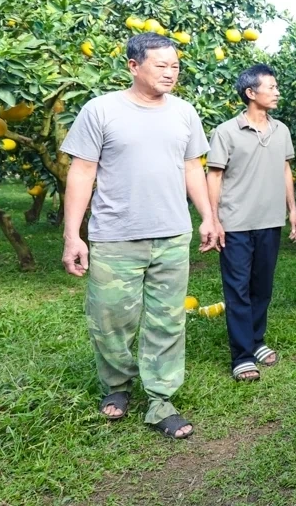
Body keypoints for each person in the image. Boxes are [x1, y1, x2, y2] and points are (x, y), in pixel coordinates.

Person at [59, 32, 220, 440]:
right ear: (133, 66)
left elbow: (192, 169)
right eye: (161, 65)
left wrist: (208, 217)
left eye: (175, 66)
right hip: (115, 236)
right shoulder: (101, 110)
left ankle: (161, 399)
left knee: (168, 320)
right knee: (110, 319)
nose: (171, 72)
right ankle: (116, 385)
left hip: (171, 234)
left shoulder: (184, 112)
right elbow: (82, 172)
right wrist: (72, 236)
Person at [205, 64, 296, 382]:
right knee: (237, 290)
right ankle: (242, 355)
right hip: (235, 222)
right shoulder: (226, 132)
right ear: (251, 93)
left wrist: (292, 210)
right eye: (271, 87)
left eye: (276, 87)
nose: (277, 92)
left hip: (270, 220)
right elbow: (215, 175)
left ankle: (257, 339)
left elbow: (286, 171)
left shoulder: (282, 131)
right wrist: (214, 218)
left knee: (262, 286)